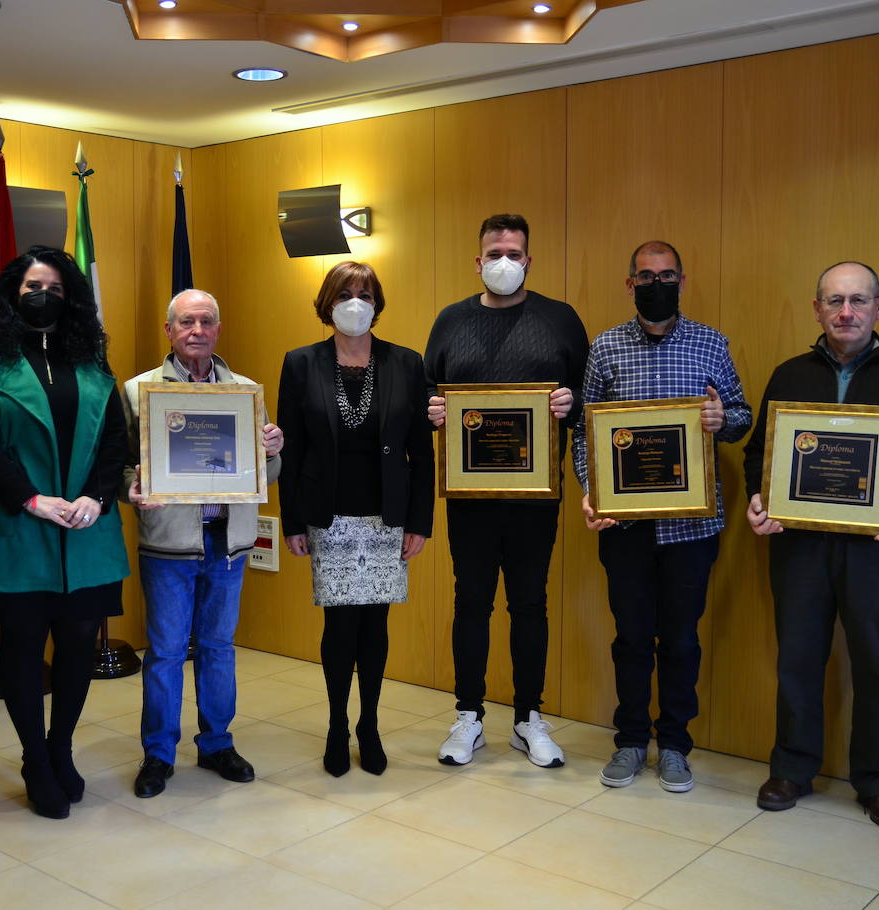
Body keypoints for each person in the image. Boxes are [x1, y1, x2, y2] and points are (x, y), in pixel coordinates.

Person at [744, 261, 879, 831]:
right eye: (835, 300)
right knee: (797, 659)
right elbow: (757, 456)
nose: (846, 312)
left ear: (878, 307)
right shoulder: (788, 374)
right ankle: (792, 769)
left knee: (876, 666)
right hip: (799, 547)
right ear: (816, 308)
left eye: (858, 301)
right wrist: (758, 499)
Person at [574, 241, 751, 793]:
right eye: (646, 276)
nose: (657, 283)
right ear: (630, 284)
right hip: (624, 525)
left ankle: (674, 744)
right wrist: (591, 490)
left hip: (691, 528)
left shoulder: (711, 344)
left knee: (680, 639)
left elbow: (742, 416)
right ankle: (630, 740)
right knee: (630, 637)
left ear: (682, 279)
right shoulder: (604, 348)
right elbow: (585, 432)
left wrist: (724, 418)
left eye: (666, 274)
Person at [0, 246, 130, 820]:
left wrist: (97, 497)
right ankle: (35, 758)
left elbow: (116, 443)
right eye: (33, 286)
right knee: (24, 648)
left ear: (71, 298)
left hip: (86, 527)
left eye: (55, 288)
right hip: (19, 525)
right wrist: (31, 498)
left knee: (81, 643)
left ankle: (62, 748)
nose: (43, 296)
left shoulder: (94, 363)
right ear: (13, 293)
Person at [424, 213, 589, 768]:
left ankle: (527, 718)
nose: (503, 263)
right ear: (478, 262)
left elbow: (589, 403)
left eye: (514, 254)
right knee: (469, 601)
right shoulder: (450, 321)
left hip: (535, 497)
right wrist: (434, 409)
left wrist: (571, 406)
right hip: (469, 496)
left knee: (529, 604)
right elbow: (428, 393)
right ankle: (468, 715)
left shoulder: (561, 319)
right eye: (494, 253)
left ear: (528, 260)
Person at [121, 289, 283, 798]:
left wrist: (274, 452)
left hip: (228, 543)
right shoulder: (138, 392)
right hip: (169, 544)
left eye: (206, 321)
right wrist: (133, 487)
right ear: (169, 331)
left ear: (218, 328)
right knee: (167, 652)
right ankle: (159, 754)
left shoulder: (246, 391)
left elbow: (265, 475)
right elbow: (124, 467)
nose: (197, 330)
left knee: (218, 647)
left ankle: (217, 743)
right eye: (186, 322)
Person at [277, 262, 435, 777]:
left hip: (387, 517)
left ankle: (369, 725)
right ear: (328, 302)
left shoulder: (406, 364)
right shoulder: (300, 363)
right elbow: (292, 449)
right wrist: (293, 520)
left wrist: (420, 521)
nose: (355, 302)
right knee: (339, 626)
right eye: (345, 293)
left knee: (375, 626)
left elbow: (421, 451)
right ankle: (336, 726)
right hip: (329, 517)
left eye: (365, 293)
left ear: (377, 302)